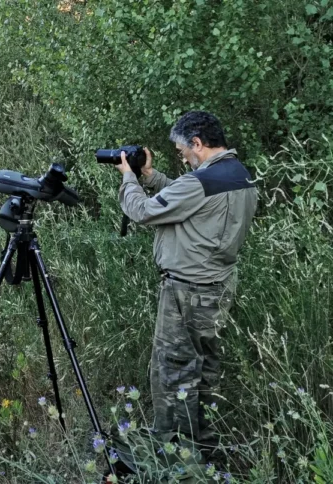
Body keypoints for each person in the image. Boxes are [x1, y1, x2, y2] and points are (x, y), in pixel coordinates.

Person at [114, 111, 257, 452]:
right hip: (218, 287)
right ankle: (203, 446)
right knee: (205, 371)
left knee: (173, 372)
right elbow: (191, 201)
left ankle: (174, 452)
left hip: (186, 291)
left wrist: (129, 178)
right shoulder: (240, 175)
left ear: (197, 143)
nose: (183, 158)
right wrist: (150, 176)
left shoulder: (200, 182)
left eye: (182, 152)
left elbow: (145, 211)